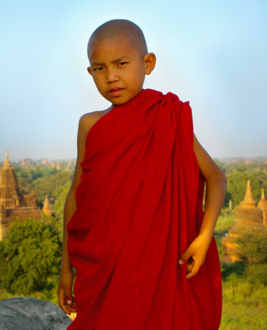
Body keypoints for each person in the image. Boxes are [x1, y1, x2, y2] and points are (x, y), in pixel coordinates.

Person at [57, 19, 226, 329]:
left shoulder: (167, 116)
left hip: (160, 267)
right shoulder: (90, 125)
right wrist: (65, 269)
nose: (111, 77)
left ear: (147, 63)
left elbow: (216, 177)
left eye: (121, 63)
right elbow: (75, 199)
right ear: (90, 72)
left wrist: (204, 238)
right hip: (106, 268)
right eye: (99, 68)